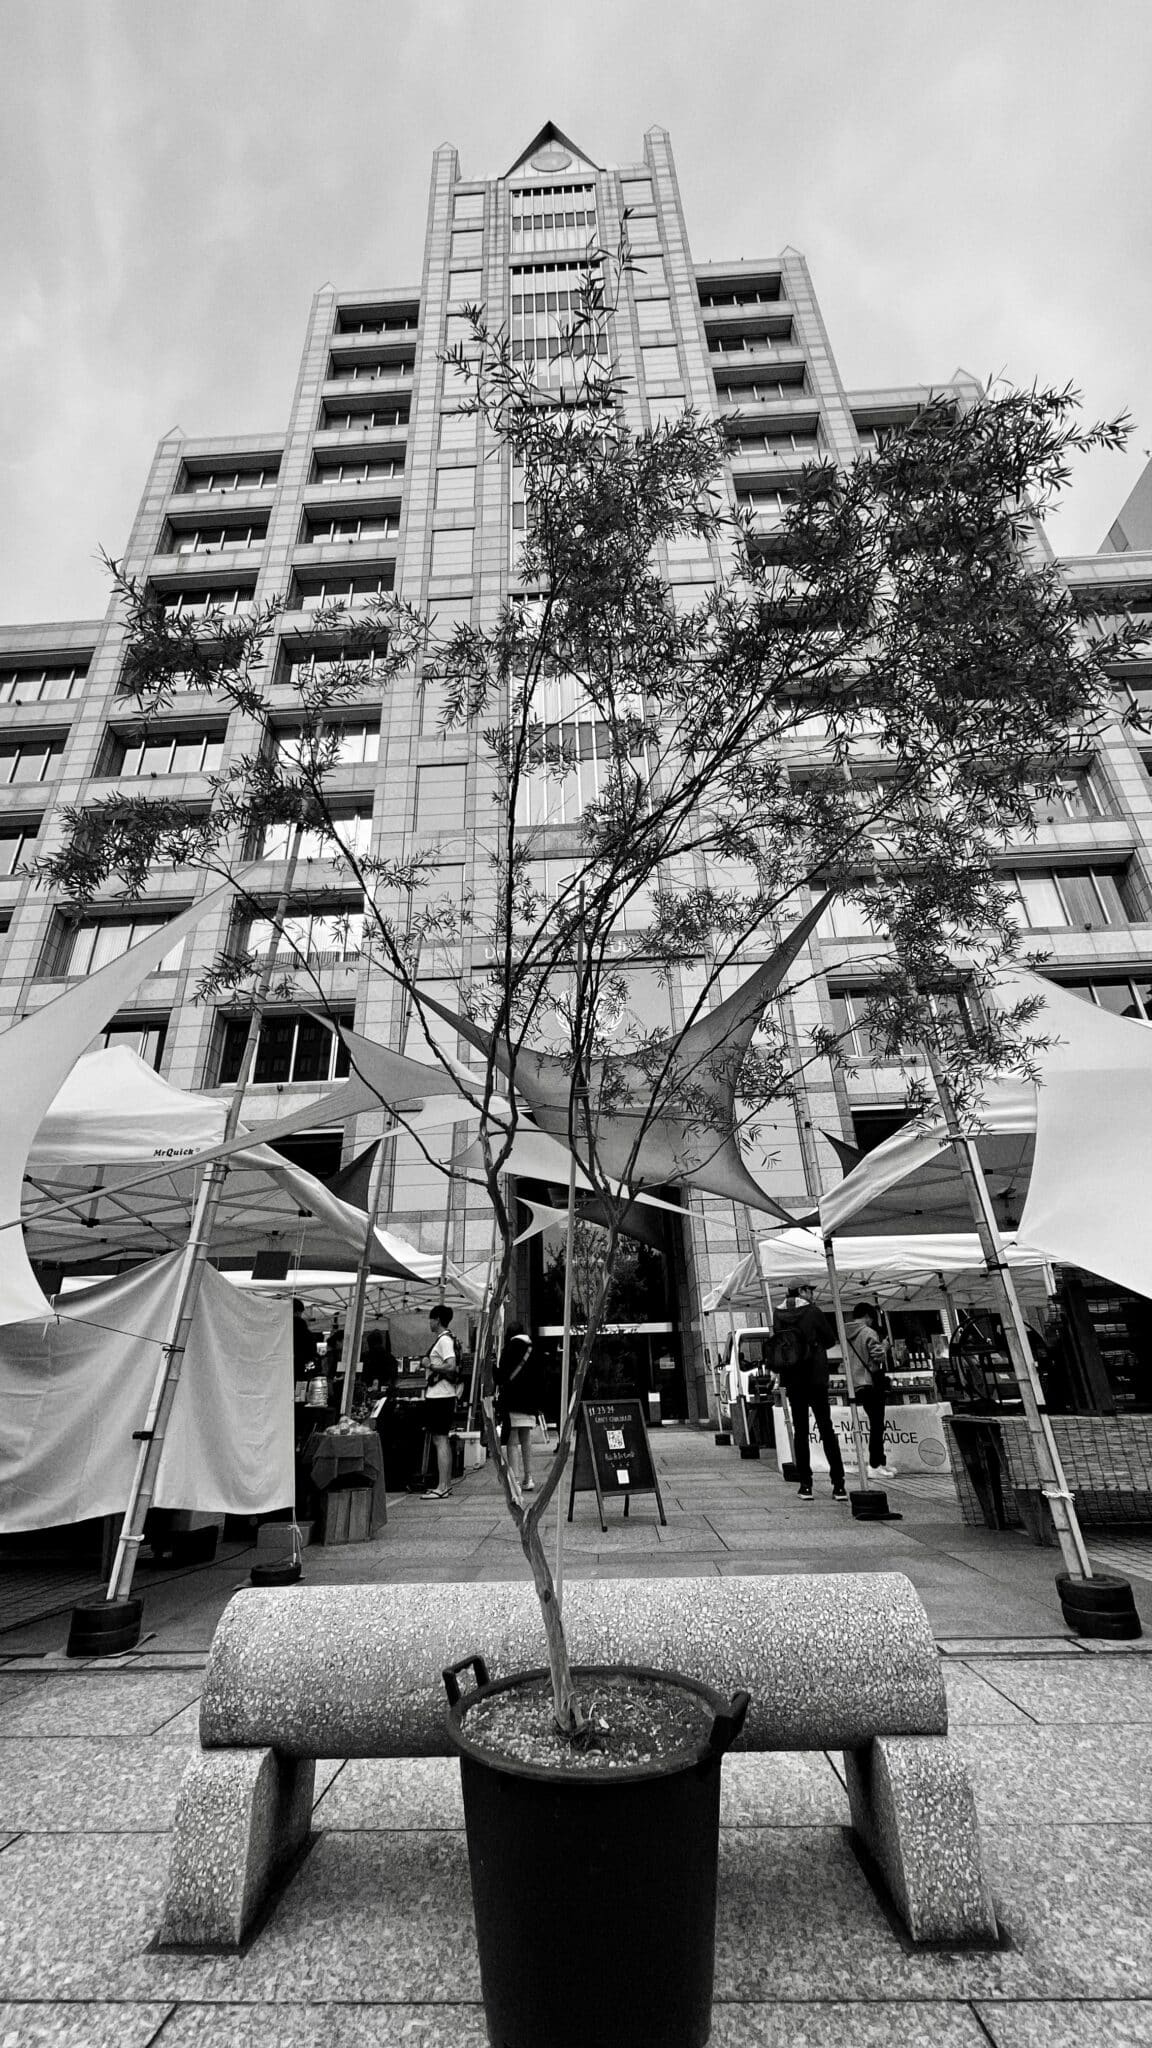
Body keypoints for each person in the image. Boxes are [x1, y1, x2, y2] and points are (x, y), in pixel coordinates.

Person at [771, 1281, 847, 1502]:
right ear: (802, 1292)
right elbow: (830, 1339)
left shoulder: (778, 1313)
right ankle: (838, 1484)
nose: (813, 1293)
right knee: (826, 1428)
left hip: (793, 1379)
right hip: (815, 1377)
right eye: (810, 1290)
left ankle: (805, 1484)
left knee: (800, 1431)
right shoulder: (813, 1312)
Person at [421, 1303, 461, 1500]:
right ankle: (445, 1484)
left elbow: (451, 1366)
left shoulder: (444, 1340)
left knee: (441, 1439)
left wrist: (431, 1366)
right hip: (443, 1395)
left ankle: (443, 1485)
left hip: (440, 1395)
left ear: (436, 1320)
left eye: (430, 1318)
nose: (429, 1322)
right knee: (441, 1439)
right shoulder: (445, 1339)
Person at [495, 1325, 541, 1492]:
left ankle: (514, 1479)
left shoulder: (509, 1348)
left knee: (512, 1441)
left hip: (513, 1399)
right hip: (530, 1402)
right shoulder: (533, 1348)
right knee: (526, 1438)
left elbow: (501, 1377)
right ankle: (528, 1478)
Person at [846, 1302, 890, 1473]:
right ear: (867, 1316)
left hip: (855, 1383)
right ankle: (876, 1463)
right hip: (869, 1382)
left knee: (874, 1422)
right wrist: (885, 1346)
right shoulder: (868, 1332)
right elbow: (877, 1357)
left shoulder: (845, 1333)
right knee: (877, 1423)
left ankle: (878, 1461)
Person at [292, 1299, 319, 1377]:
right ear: (298, 1312)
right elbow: (312, 1351)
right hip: (300, 1368)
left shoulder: (279, 1326)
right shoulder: (303, 1330)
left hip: (279, 1368)